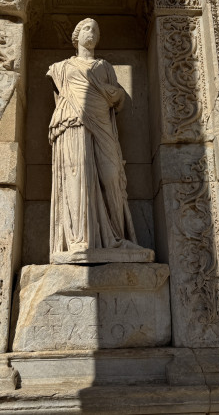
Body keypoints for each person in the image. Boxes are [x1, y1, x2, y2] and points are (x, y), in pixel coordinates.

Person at [46, 18, 141, 260]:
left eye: (95, 30)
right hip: (72, 121)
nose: (91, 33)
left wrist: (116, 94)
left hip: (102, 123)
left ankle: (116, 237)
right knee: (77, 178)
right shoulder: (61, 68)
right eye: (87, 29)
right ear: (76, 36)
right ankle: (79, 239)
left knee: (112, 177)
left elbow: (117, 99)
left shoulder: (105, 67)